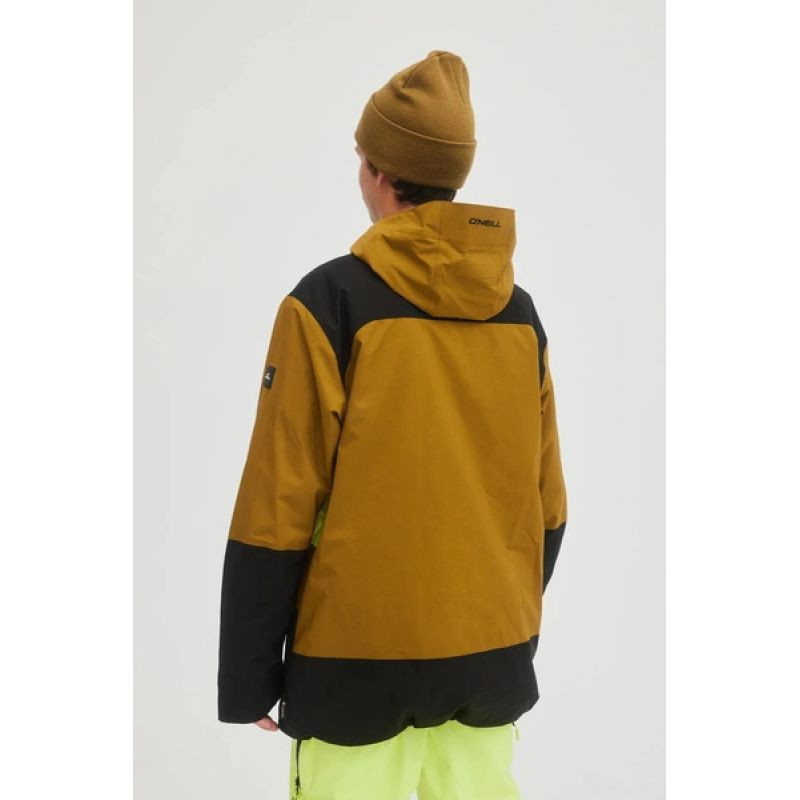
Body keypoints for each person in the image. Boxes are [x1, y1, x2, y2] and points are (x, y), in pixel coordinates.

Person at [217, 49, 568, 800]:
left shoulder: (329, 303)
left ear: (379, 172)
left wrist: (249, 676)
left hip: (355, 669)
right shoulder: (519, 316)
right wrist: (500, 630)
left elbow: (278, 504)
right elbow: (548, 505)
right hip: (489, 664)